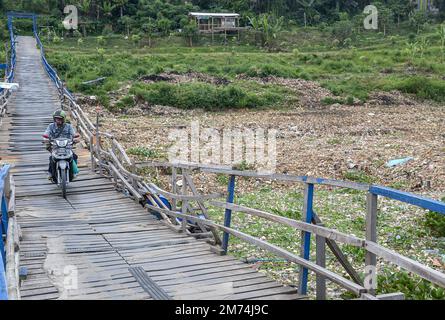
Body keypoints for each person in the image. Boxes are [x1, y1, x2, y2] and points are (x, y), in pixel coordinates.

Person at [43, 110, 79, 181]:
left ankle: (74, 172)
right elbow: (46, 133)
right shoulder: (51, 126)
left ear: (63, 119)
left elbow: (73, 134)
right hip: (55, 146)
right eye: (56, 118)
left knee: (74, 156)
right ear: (54, 119)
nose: (58, 120)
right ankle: (50, 173)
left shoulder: (68, 126)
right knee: (52, 158)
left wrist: (75, 137)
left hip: (67, 146)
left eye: (60, 119)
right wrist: (45, 138)